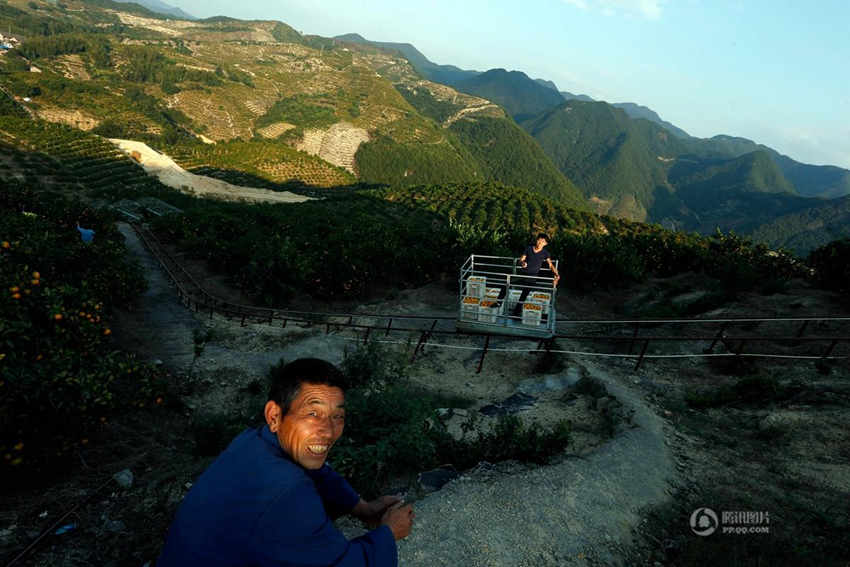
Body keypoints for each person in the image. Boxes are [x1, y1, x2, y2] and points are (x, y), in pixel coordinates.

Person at [157, 358, 414, 567]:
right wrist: (389, 534)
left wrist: (361, 508)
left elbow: (319, 473)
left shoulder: (253, 441)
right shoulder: (286, 491)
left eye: (337, 416)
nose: (328, 430)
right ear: (275, 415)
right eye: (313, 414)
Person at [512, 233, 560, 316]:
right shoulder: (529, 249)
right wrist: (522, 263)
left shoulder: (545, 253)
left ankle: (516, 313)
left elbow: (551, 265)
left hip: (532, 277)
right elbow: (521, 260)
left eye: (542, 242)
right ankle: (498, 303)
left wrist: (557, 274)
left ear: (545, 244)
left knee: (524, 295)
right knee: (506, 283)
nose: (539, 243)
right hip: (522, 275)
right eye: (539, 240)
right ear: (536, 240)